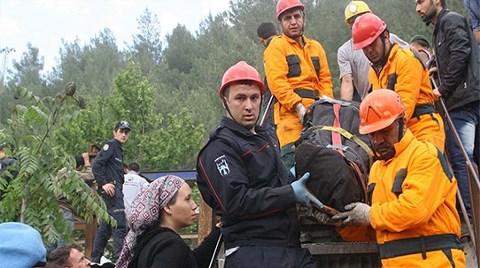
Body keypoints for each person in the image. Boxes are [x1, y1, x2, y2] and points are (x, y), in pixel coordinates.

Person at [196, 61, 325, 268]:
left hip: (291, 248)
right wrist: (289, 193)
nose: (249, 105)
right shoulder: (219, 148)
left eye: (254, 98)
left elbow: (276, 181)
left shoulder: (267, 136)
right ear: (224, 100)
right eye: (240, 98)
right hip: (252, 252)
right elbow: (235, 201)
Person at [332, 89, 465, 267]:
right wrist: (345, 223)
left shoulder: (424, 155)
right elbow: (378, 228)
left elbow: (414, 210)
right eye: (372, 134)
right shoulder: (377, 169)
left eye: (385, 131)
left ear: (403, 122)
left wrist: (369, 214)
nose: (378, 140)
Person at [415, 0, 480, 218]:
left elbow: (461, 52)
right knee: (470, 157)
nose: (417, 8)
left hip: (463, 103)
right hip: (467, 99)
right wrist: (434, 63)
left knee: (461, 158)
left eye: (421, 1)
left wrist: (442, 89)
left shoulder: (450, 21)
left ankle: (470, 217)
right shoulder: (442, 27)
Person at [352, 13, 446, 152]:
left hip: (422, 129)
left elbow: (404, 108)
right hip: (394, 134)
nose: (369, 50)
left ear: (386, 36)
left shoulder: (406, 59)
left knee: (423, 165)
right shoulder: (374, 72)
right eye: (364, 47)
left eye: (372, 44)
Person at [264, 0, 333, 169]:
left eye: (296, 16)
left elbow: (325, 79)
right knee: (293, 167)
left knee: (331, 161)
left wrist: (326, 105)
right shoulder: (277, 47)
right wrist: (298, 106)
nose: (293, 21)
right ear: (281, 23)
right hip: (290, 118)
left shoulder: (316, 47)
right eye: (287, 18)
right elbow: (277, 82)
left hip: (319, 115)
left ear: (304, 18)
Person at [116, 175, 222, 268]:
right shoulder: (170, 245)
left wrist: (219, 229)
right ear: (167, 207)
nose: (194, 206)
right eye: (187, 199)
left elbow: (194, 262)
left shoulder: (151, 240)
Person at [338, 1, 410, 102]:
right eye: (352, 22)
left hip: (397, 96)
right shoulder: (345, 51)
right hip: (369, 102)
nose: (358, 23)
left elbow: (411, 55)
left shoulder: (386, 38)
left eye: (361, 17)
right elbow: (347, 82)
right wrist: (345, 111)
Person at [91, 120, 132, 263]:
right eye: (121, 131)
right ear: (115, 132)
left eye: (126, 132)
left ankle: (95, 259)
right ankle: (120, 261)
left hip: (116, 191)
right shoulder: (111, 146)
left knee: (106, 227)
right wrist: (104, 184)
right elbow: (96, 165)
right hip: (111, 192)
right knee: (119, 225)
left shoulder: (119, 149)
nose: (124, 135)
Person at [256, 22, 279, 129]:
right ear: (277, 32)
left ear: (261, 39)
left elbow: (273, 79)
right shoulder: (287, 45)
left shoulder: (270, 49)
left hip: (274, 99)